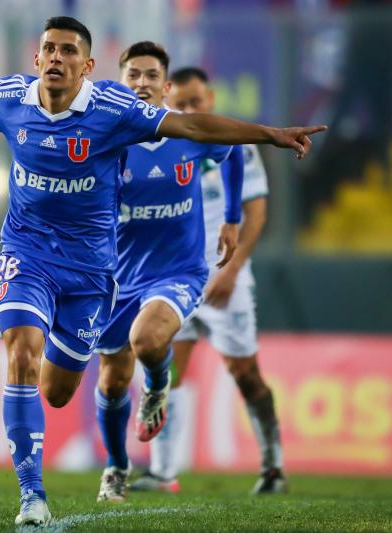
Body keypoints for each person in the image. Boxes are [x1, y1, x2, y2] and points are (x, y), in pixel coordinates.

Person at [0, 16, 324, 525]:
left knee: (57, 392)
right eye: (49, 49)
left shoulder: (114, 109)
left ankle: (139, 408)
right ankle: (31, 496)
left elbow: (192, 125)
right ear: (36, 59)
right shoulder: (9, 97)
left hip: (91, 272)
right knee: (21, 353)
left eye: (68, 51)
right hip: (27, 255)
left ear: (87, 65)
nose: (56, 58)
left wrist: (271, 134)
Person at [92, 41, 245, 503]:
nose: (142, 82)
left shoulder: (187, 134)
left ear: (166, 85)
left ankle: (157, 386)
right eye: (133, 75)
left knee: (147, 340)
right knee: (112, 379)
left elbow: (233, 151)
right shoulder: (106, 139)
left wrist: (232, 217)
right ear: (122, 84)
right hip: (117, 277)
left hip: (177, 271)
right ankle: (117, 465)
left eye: (151, 75)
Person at [131, 66, 286, 495]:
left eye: (196, 102)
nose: (188, 109)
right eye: (180, 103)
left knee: (244, 371)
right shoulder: (157, 138)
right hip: (172, 275)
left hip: (222, 277)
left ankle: (273, 465)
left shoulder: (233, 142)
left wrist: (231, 271)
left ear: (211, 99)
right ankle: (163, 471)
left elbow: (256, 212)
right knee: (165, 368)